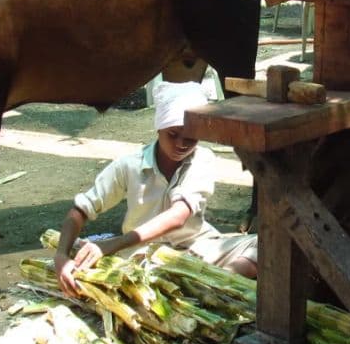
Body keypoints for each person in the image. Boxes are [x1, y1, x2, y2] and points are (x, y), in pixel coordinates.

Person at [53, 81, 257, 297]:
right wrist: (61, 255)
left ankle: (215, 282)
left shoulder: (202, 159)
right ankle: (210, 285)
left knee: (263, 246)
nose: (181, 144)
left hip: (197, 247)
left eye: (191, 138)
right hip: (145, 257)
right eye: (173, 134)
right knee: (138, 277)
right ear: (159, 127)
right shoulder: (129, 165)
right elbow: (80, 210)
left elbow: (178, 216)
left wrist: (112, 244)